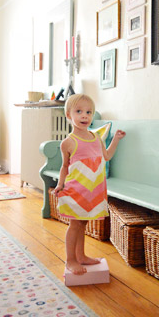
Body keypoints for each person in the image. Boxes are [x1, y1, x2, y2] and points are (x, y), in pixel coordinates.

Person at [54, 94, 125, 275]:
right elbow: (64, 167)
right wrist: (60, 185)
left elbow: (106, 156)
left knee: (83, 223)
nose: (84, 116)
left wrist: (115, 139)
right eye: (79, 112)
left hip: (93, 191)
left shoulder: (96, 137)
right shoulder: (68, 142)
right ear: (69, 115)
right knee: (75, 224)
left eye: (88, 112)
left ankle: (82, 256)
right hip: (76, 190)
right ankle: (70, 259)